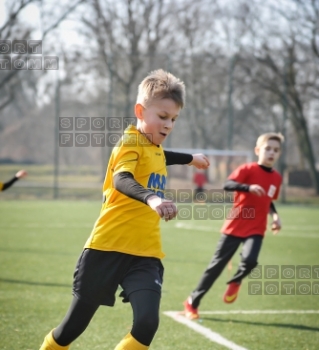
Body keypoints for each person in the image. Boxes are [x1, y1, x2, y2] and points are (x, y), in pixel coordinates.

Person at [39, 69, 210, 350]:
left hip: (145, 254)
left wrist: (191, 159)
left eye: (174, 119)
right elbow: (122, 179)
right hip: (106, 248)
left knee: (146, 323)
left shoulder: (152, 147)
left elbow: (161, 156)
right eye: (163, 117)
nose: (169, 125)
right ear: (140, 111)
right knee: (72, 327)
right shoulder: (130, 142)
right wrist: (152, 199)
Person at [183, 132, 284, 320]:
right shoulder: (247, 169)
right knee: (215, 267)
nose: (271, 153)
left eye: (276, 150)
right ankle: (192, 302)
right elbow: (227, 184)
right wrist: (248, 187)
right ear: (257, 150)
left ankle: (236, 281)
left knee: (251, 261)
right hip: (235, 225)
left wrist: (276, 216)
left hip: (257, 228)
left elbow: (269, 200)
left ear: (279, 153)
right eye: (267, 148)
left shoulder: (277, 178)